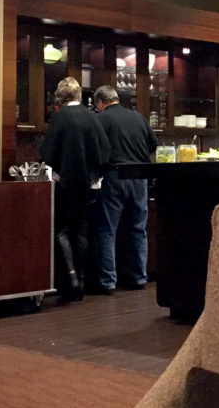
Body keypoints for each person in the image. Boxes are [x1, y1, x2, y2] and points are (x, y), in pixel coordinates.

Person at [40, 77, 110, 302]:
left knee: (61, 229)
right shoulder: (92, 117)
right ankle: (81, 279)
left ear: (61, 96)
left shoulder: (59, 118)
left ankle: (69, 278)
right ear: (79, 95)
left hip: (66, 183)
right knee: (81, 230)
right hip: (91, 184)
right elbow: (104, 150)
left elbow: (48, 153)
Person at [91, 85, 158, 294]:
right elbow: (153, 146)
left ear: (100, 102)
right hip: (139, 177)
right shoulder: (138, 118)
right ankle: (139, 278)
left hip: (114, 177)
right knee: (138, 230)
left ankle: (108, 282)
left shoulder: (100, 120)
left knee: (107, 231)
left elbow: (94, 151)